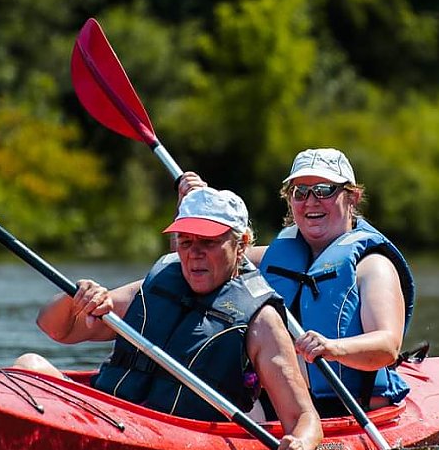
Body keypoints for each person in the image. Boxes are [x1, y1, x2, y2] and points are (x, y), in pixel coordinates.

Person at [14, 187, 322, 450]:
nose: (194, 253)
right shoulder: (153, 289)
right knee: (30, 363)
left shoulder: (262, 322)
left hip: (175, 436)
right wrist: (77, 297)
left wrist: (301, 443)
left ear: (240, 245)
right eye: (185, 242)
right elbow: (56, 328)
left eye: (209, 242)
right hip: (106, 417)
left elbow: (304, 417)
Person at [177, 148, 415, 417]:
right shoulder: (268, 258)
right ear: (290, 200)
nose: (311, 201)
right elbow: (192, 260)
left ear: (353, 197)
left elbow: (388, 347)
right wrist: (196, 211)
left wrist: (333, 348)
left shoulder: (373, 267)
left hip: (347, 408)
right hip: (279, 403)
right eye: (300, 192)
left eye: (324, 190)